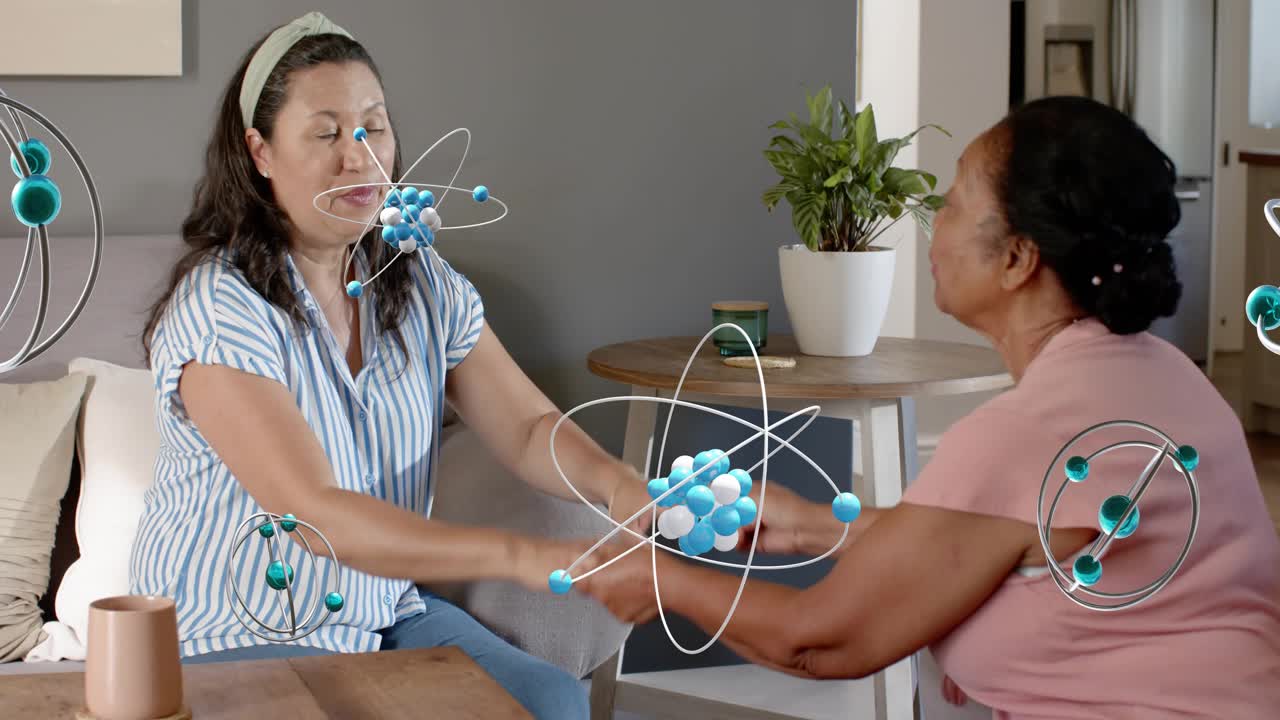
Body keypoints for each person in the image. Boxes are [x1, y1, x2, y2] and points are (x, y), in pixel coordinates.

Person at [578, 96, 1280, 718]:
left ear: (1017, 258)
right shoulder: (1169, 376)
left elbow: (814, 642)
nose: (931, 227)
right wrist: (815, 527)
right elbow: (1003, 539)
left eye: (950, 204)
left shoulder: (1025, 431)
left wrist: (659, 580)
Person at [130, 13, 653, 719]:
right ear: (259, 151)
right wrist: (515, 555)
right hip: (230, 631)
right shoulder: (222, 308)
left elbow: (529, 429)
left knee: (551, 704)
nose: (360, 158)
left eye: (372, 127)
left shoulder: (420, 282)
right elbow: (317, 517)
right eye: (325, 133)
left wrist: (619, 486)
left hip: (383, 617)